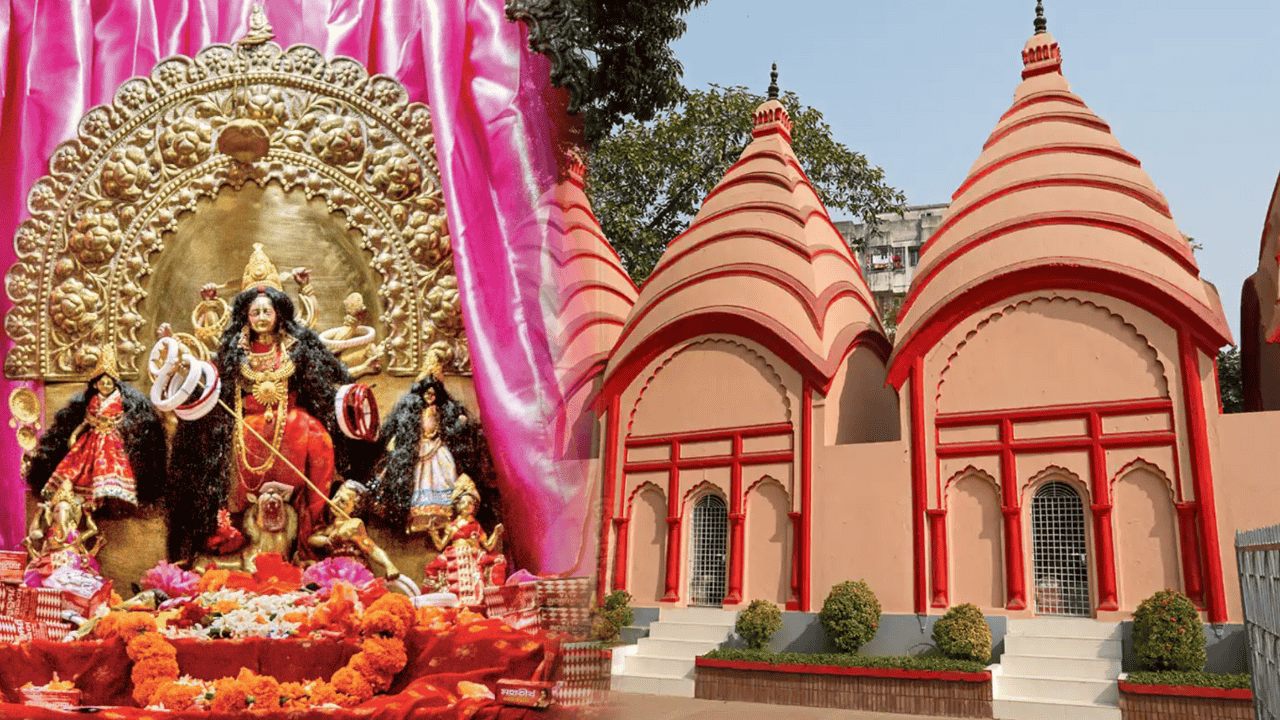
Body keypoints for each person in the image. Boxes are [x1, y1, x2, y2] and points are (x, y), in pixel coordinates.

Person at [167, 244, 365, 560]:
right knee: (227, 448)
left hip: (294, 421)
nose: (261, 317)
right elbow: (209, 382)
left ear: (278, 314)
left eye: (267, 311)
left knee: (320, 440)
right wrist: (204, 314)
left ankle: (313, 523)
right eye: (255, 312)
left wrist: (307, 290)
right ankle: (231, 528)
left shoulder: (296, 346)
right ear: (246, 316)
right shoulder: (236, 350)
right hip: (249, 427)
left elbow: (322, 380)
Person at [25, 343, 164, 508]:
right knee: (82, 468)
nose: (105, 386)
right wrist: (75, 434)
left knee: (111, 470)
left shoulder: (119, 400)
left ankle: (107, 500)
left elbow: (121, 418)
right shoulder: (93, 401)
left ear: (114, 384)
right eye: (102, 383)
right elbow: (87, 421)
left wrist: (118, 428)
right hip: (91, 439)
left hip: (112, 441)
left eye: (108, 383)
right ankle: (85, 498)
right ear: (95, 384)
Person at [369, 359, 496, 536]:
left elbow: (451, 430)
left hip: (438, 449)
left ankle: (444, 518)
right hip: (419, 450)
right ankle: (419, 519)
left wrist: (460, 425)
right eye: (427, 393)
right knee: (419, 480)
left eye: (433, 393)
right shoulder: (412, 412)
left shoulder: (442, 411)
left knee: (443, 476)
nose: (430, 396)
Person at [422, 476, 506, 603]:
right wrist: (433, 533)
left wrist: (496, 533)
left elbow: (488, 546)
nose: (467, 506)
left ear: (474, 506)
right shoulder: (452, 526)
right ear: (457, 506)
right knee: (438, 567)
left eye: (470, 503)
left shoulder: (476, 526)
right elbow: (440, 546)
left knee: (493, 563)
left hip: (474, 555)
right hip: (454, 556)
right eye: (463, 502)